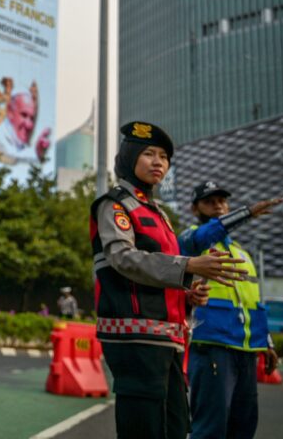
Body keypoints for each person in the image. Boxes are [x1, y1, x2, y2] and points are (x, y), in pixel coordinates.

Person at [90, 121, 249, 439]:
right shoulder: (115, 204)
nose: (158, 161)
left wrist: (187, 293)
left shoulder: (158, 213)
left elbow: (161, 270)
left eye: (164, 156)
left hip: (169, 340)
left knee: (176, 427)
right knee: (145, 429)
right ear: (129, 157)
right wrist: (187, 264)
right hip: (136, 337)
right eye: (149, 153)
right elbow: (123, 258)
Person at [178, 181, 283, 439]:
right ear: (194, 209)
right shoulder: (192, 240)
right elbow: (206, 234)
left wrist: (266, 342)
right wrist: (246, 213)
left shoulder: (242, 254)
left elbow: (254, 303)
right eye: (209, 202)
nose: (218, 206)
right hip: (212, 346)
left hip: (246, 351)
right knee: (210, 429)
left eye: (222, 201)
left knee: (243, 427)